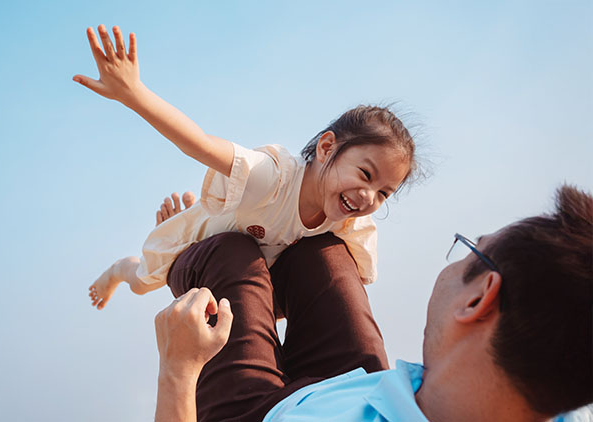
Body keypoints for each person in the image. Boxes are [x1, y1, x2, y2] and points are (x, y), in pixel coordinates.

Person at [153, 184, 593, 421]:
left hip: (253, 414)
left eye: (469, 250)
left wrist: (178, 372)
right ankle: (247, 276)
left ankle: (192, 254)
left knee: (228, 252)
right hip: (373, 389)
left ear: (479, 297)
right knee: (321, 250)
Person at [74, 25, 421, 310]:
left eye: (384, 193)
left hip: (253, 274)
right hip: (196, 245)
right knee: (143, 283)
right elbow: (198, 143)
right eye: (365, 174)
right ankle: (121, 267)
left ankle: (197, 213)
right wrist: (134, 93)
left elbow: (348, 283)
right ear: (327, 147)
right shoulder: (272, 178)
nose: (369, 196)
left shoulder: (351, 220)